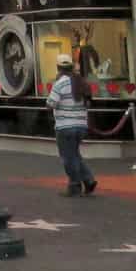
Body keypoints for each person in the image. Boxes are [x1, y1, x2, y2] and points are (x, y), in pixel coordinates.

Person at [46, 54, 98, 196]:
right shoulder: (82, 82)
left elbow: (51, 103)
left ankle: (75, 186)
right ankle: (88, 180)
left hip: (65, 126)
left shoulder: (60, 83)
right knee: (74, 154)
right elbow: (88, 102)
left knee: (68, 157)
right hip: (81, 125)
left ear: (58, 67)